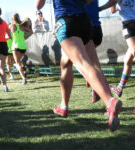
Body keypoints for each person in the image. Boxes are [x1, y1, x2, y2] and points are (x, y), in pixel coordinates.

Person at [36, 0, 122, 132]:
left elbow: (38, 5)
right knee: (69, 64)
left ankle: (110, 101)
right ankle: (64, 106)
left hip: (66, 21)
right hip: (85, 22)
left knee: (83, 64)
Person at [100, 0, 135, 115]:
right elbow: (114, 10)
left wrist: (100, 8)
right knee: (127, 60)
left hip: (131, 25)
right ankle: (119, 88)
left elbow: (112, 9)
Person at [11, 13, 33, 85]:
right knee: (19, 62)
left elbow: (10, 34)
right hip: (23, 46)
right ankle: (23, 69)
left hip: (16, 46)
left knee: (17, 63)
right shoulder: (22, 26)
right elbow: (31, 32)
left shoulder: (13, 25)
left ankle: (23, 78)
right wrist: (24, 36)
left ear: (13, 19)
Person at [0, 7, 11, 92]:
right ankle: (5, 86)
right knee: (2, 67)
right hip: (3, 44)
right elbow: (9, 35)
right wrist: (3, 38)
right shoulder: (4, 23)